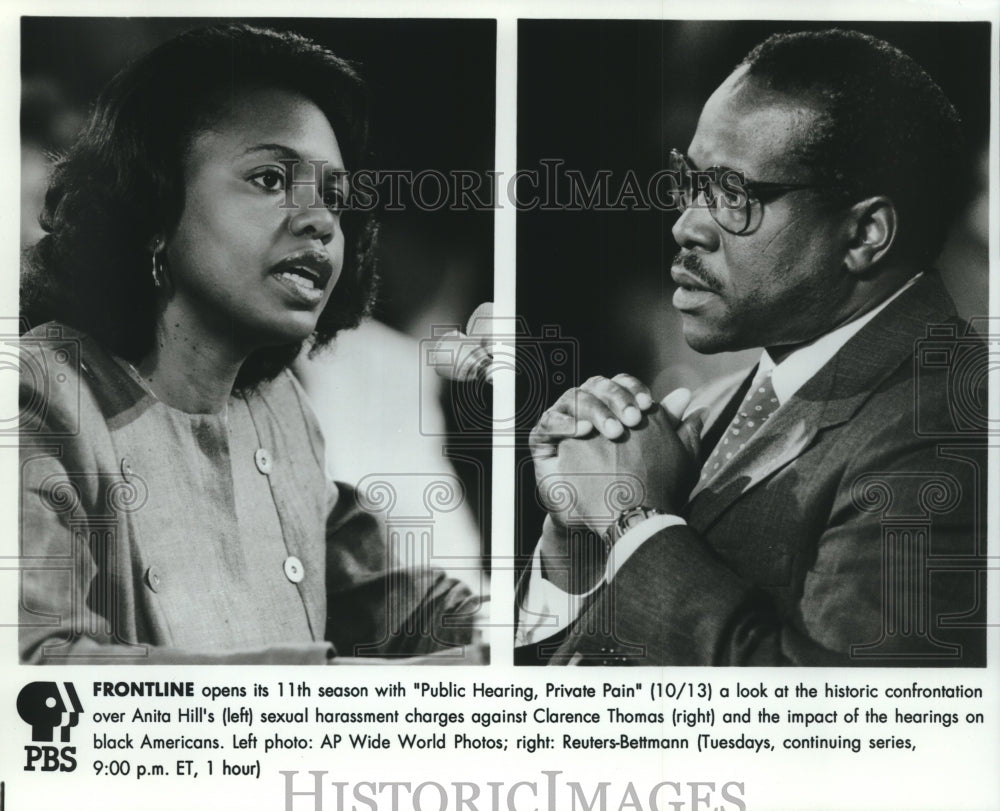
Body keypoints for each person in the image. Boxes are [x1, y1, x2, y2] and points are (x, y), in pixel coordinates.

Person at [517, 29, 987, 666]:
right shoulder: (716, 407)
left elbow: (841, 729)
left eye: (733, 193)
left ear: (864, 233)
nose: (687, 223)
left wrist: (634, 522)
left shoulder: (950, 425)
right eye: (688, 180)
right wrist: (580, 543)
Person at [19, 24, 482, 664]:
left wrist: (570, 562)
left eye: (335, 198)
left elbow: (415, 613)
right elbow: (35, 671)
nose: (319, 219)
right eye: (269, 179)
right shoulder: (37, 393)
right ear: (151, 207)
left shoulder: (279, 412)